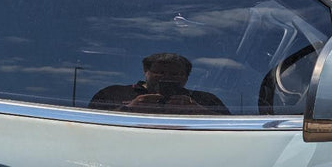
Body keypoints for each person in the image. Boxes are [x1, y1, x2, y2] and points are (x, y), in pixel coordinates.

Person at [89, 52, 229, 114]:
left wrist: (197, 111)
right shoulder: (112, 93)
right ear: (146, 72)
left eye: (175, 74)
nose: (167, 78)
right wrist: (130, 108)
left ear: (186, 77)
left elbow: (230, 126)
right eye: (160, 72)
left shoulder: (206, 100)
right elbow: (89, 123)